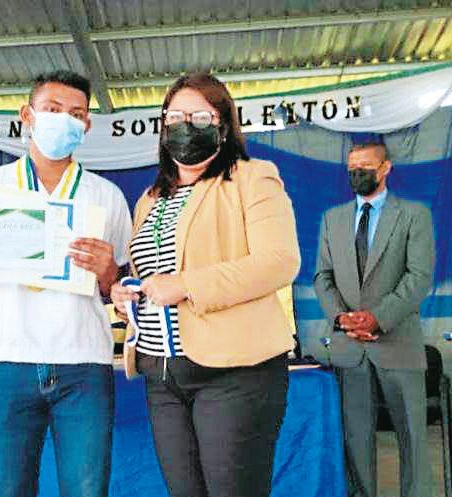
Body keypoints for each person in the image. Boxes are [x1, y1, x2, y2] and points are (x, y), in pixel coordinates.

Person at [0, 70, 131, 497]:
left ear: (87, 125)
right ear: (28, 115)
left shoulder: (106, 196)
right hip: (8, 358)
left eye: (76, 114)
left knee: (87, 490)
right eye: (52, 109)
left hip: (83, 361)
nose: (64, 120)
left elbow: (118, 292)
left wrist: (108, 272)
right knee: (7, 489)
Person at [109, 72, 300, 497]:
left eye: (200, 117)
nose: (186, 126)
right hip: (162, 375)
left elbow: (279, 262)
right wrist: (127, 295)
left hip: (234, 374)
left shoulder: (253, 178)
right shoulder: (149, 199)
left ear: (223, 125)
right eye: (175, 117)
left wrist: (184, 284)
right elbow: (153, 274)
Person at [314, 141, 435, 497]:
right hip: (348, 347)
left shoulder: (414, 214)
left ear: (385, 168)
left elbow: (418, 277)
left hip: (398, 343)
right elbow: (322, 276)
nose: (357, 174)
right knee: (355, 437)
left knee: (412, 436)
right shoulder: (332, 219)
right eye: (352, 168)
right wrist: (342, 318)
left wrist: (378, 318)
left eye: (365, 167)